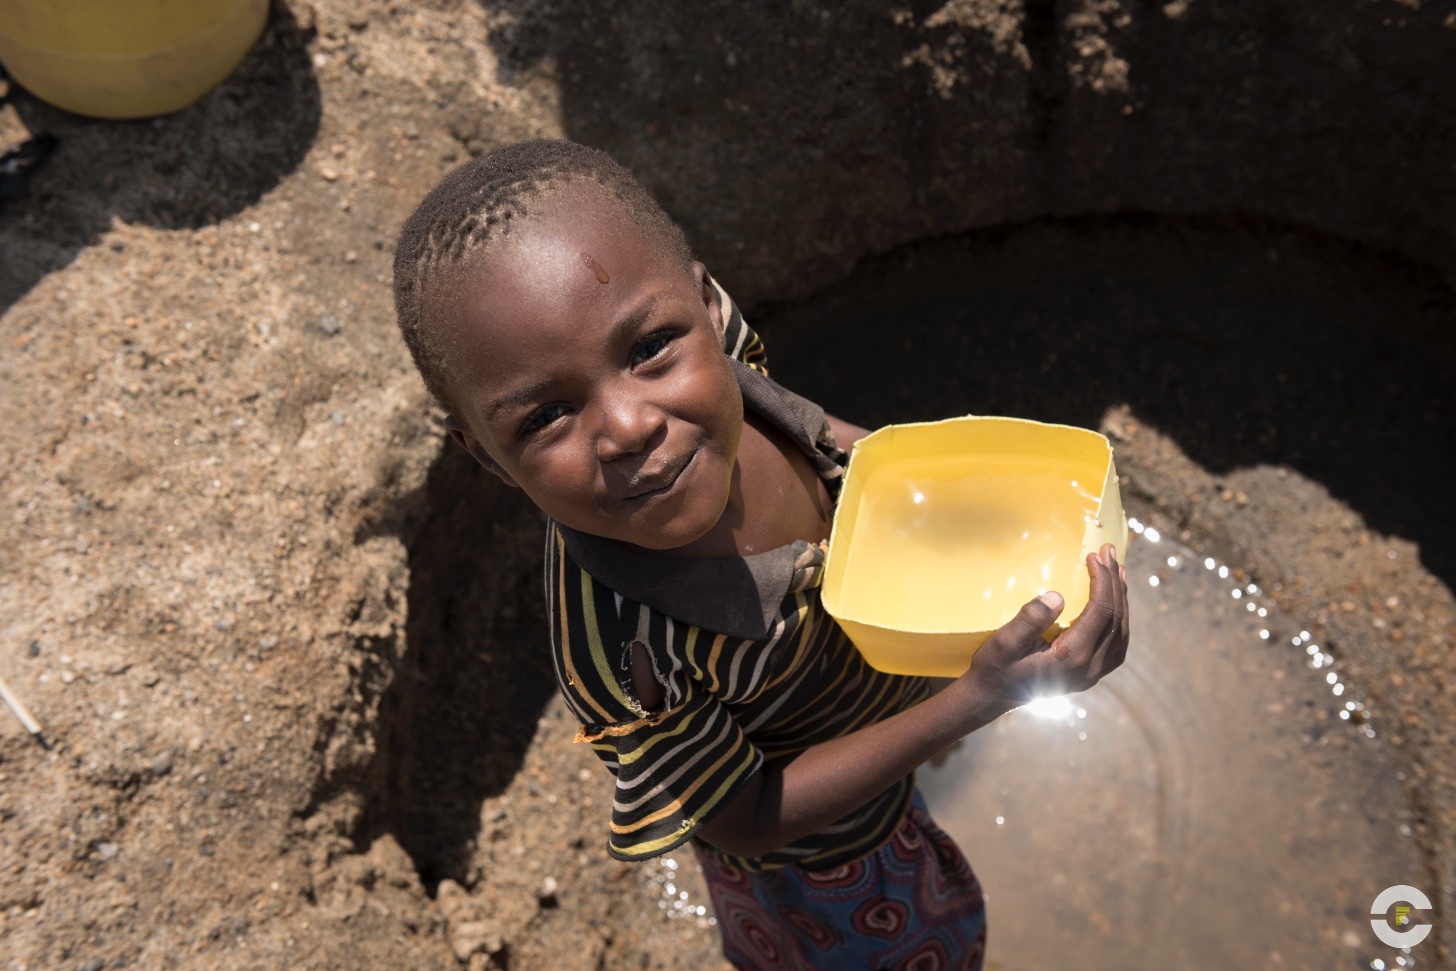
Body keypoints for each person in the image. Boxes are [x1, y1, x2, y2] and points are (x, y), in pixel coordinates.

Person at [392, 139, 1130, 970]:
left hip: (878, 701)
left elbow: (824, 438)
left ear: (710, 307)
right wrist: (973, 699)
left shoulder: (721, 359)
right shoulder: (626, 650)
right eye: (545, 417)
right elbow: (741, 815)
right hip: (829, 869)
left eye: (646, 350)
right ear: (487, 456)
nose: (630, 424)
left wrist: (910, 472)